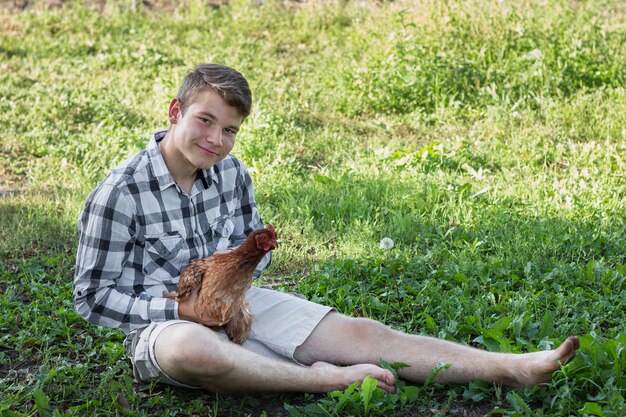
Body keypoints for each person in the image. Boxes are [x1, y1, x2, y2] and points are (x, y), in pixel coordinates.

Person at [73, 63, 579, 394]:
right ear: (175, 111)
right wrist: (181, 307)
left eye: (229, 130)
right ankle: (324, 382)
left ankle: (513, 367)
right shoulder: (121, 192)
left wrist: (239, 276)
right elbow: (91, 296)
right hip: (164, 326)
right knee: (193, 349)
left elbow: (255, 246)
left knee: (362, 332)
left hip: (237, 304)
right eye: (205, 121)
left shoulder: (232, 172)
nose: (216, 140)